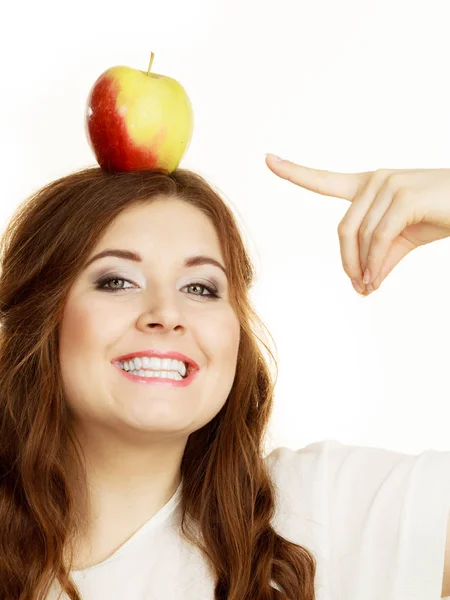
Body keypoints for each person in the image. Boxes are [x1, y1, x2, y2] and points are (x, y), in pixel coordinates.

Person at [0, 157, 449, 600]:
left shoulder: (322, 510)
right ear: (40, 317)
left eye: (201, 287)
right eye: (118, 281)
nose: (167, 314)